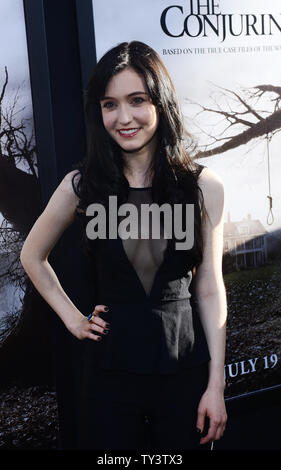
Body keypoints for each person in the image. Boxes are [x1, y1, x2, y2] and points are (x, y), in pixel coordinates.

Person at [20, 41, 227, 451]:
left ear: (160, 103)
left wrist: (216, 385)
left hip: (184, 371)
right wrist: (73, 319)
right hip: (109, 379)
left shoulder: (204, 186)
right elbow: (32, 255)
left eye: (137, 100)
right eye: (109, 104)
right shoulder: (80, 186)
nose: (124, 117)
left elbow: (209, 286)